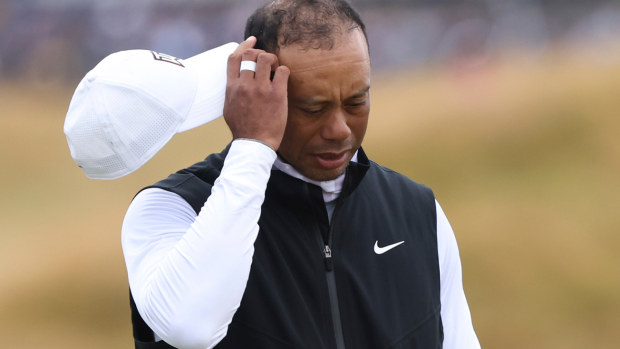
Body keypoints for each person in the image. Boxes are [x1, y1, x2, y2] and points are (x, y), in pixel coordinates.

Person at [122, 0, 481, 348]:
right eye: (313, 108)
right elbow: (191, 328)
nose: (340, 130)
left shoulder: (418, 212)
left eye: (356, 102)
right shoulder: (170, 208)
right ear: (259, 92)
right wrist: (253, 145)